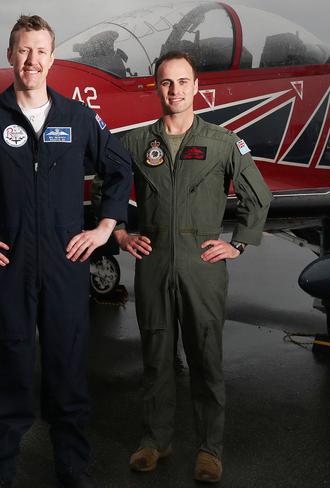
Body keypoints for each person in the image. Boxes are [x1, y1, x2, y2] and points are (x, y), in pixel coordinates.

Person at [0, 15, 132, 488]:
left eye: (41, 51)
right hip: (8, 267)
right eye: (23, 50)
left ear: (53, 58)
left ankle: (73, 471)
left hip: (66, 265)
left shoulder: (78, 118)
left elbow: (119, 168)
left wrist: (104, 228)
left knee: (67, 372)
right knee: (10, 374)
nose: (32, 60)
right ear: (10, 55)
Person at [110, 51, 272, 483]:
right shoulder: (134, 143)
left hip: (202, 263)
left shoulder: (223, 142)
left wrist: (238, 244)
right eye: (166, 83)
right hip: (154, 260)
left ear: (196, 87)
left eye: (183, 82)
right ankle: (155, 440)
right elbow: (104, 191)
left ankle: (209, 449)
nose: (175, 91)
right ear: (156, 87)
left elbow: (259, 195)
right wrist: (121, 235)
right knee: (156, 356)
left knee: (206, 359)